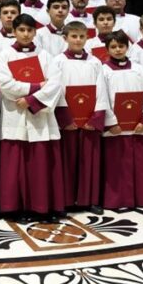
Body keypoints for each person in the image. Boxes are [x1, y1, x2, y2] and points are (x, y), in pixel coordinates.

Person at [0, 13, 65, 223]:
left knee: (40, 165)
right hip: (14, 114)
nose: (26, 34)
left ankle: (42, 207)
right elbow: (5, 84)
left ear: (35, 32)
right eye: (21, 30)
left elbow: (55, 83)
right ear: (14, 32)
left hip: (40, 118)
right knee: (15, 165)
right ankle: (15, 208)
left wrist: (31, 100)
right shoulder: (5, 55)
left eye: (29, 30)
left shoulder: (45, 56)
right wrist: (35, 88)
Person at [52, 21, 108, 214]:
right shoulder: (58, 61)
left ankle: (89, 199)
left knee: (89, 160)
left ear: (87, 38)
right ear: (65, 38)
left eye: (81, 37)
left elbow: (101, 90)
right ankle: (66, 200)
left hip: (89, 121)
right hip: (69, 121)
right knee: (66, 159)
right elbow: (56, 89)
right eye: (74, 36)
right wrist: (65, 119)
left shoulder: (94, 62)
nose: (78, 40)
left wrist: (96, 117)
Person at [101, 31, 143, 209]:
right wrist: (111, 122)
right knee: (115, 166)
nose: (118, 50)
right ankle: (115, 200)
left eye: (121, 46)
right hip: (115, 128)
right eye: (113, 47)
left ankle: (139, 198)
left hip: (137, 127)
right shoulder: (103, 71)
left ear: (127, 47)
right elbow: (101, 97)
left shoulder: (140, 69)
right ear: (107, 49)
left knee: (138, 165)